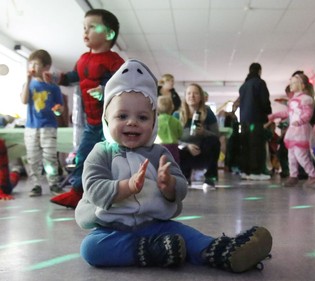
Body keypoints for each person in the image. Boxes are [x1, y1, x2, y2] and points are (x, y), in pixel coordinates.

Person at [74, 59, 272, 272]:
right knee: (91, 248)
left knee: (187, 235)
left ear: (153, 123)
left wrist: (168, 186)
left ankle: (224, 251)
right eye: (122, 116)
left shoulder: (159, 153)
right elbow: (93, 188)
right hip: (111, 229)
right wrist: (127, 187)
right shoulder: (101, 152)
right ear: (106, 119)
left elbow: (181, 187)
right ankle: (150, 250)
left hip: (156, 226)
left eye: (142, 117)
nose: (132, 122)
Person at [50, 9, 125, 208]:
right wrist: (56, 77)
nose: (86, 31)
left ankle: (117, 192)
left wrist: (105, 89)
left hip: (111, 123)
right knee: (83, 155)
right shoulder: (83, 58)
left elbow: (123, 81)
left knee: (114, 159)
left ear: (109, 34)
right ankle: (77, 192)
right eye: (84, 27)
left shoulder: (114, 60)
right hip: (91, 123)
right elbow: (73, 77)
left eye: (92, 27)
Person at [20, 49, 65, 197]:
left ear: (46, 67)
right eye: (30, 63)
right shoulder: (29, 84)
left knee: (50, 157)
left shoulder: (53, 86)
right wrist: (27, 80)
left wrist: (58, 110)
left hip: (49, 127)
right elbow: (24, 100)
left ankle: (53, 183)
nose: (33, 66)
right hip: (31, 128)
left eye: (36, 64)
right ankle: (36, 185)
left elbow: (60, 109)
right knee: (32, 158)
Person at [268, 73, 315, 187]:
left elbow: (308, 113)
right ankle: (293, 175)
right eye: (291, 83)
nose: (291, 85)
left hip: (300, 129)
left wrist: (300, 121)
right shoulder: (293, 100)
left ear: (302, 85)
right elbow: (288, 113)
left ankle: (313, 174)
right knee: (291, 154)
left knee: (300, 154)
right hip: (293, 129)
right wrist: (274, 115)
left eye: (293, 83)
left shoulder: (306, 99)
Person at [173, 83, 221, 190]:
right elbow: (172, 138)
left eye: (195, 93)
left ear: (201, 97)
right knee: (176, 147)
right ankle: (184, 178)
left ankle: (210, 179)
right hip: (185, 152)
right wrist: (187, 145)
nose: (192, 96)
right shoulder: (177, 115)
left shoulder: (208, 113)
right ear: (185, 97)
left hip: (203, 151)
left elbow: (216, 135)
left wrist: (204, 132)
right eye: (189, 93)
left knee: (213, 141)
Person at [232, 62, 272, 181]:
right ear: (259, 71)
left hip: (244, 121)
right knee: (257, 145)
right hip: (256, 119)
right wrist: (268, 113)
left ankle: (246, 171)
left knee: (246, 145)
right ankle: (256, 172)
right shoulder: (259, 83)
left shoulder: (243, 86)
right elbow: (264, 101)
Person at [157, 95, 183, 163]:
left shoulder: (155, 121)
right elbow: (180, 133)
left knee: (159, 163)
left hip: (158, 146)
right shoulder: (176, 121)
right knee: (174, 163)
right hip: (173, 147)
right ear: (172, 107)